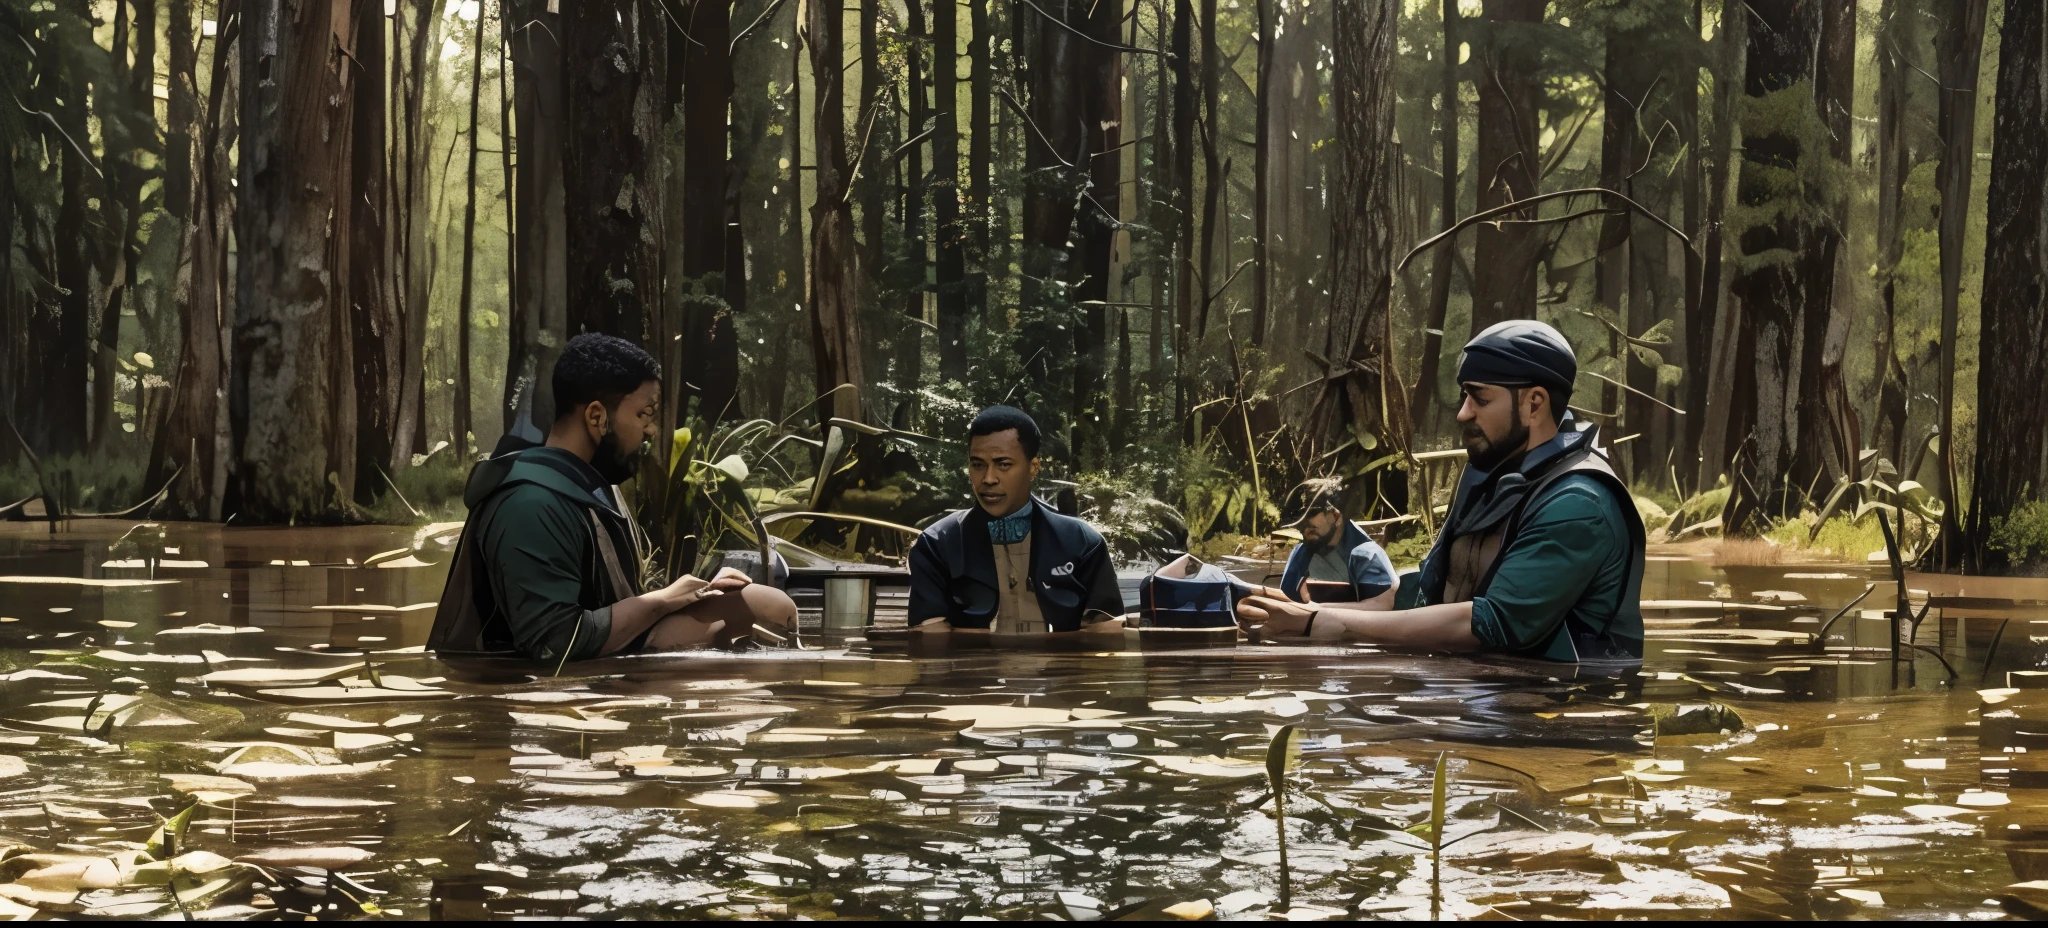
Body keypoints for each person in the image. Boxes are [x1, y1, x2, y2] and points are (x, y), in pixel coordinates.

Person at [1238, 320, 1645, 662]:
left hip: (1564, 714)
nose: (1463, 412)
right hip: (1485, 692)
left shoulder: (1578, 503)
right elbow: (1430, 589)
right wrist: (1304, 609)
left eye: (1479, 398)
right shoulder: (1490, 476)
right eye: (1465, 396)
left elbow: (1489, 624)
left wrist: (1320, 625)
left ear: (1534, 404)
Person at [428, 333, 797, 668]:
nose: (650, 430)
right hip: (526, 689)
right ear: (596, 415)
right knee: (736, 623)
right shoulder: (530, 503)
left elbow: (615, 597)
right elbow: (553, 644)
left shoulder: (593, 487)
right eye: (644, 414)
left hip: (604, 656)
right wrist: (664, 600)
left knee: (770, 607)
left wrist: (696, 590)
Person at [907, 406, 1126, 635]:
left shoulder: (1082, 543)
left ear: (1033, 468)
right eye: (978, 464)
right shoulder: (936, 544)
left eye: (1003, 464)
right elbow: (930, 646)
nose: (988, 479)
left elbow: (1107, 637)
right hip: (972, 669)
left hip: (1060, 670)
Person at [1252, 478, 1400, 610]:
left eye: (1310, 515)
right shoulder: (1301, 553)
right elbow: (1289, 598)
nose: (1303, 526)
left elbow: (1382, 605)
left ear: (1335, 516)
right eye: (1298, 521)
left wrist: (1317, 609)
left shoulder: (1367, 554)